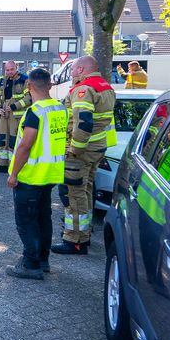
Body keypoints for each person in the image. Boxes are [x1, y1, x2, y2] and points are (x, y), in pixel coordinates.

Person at [6, 68, 69, 279]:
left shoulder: (35, 112)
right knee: (44, 218)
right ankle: (43, 260)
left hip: (31, 175)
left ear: (29, 86)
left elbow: (25, 146)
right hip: (51, 174)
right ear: (49, 85)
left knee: (26, 220)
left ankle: (30, 264)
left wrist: (13, 174)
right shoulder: (60, 108)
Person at [53, 56, 117, 254]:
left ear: (81, 69)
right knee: (86, 190)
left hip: (81, 151)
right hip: (97, 148)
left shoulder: (84, 90)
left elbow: (83, 122)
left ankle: (75, 240)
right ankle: (85, 232)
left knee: (74, 194)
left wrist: (75, 149)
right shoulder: (105, 87)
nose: (70, 73)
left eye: (72, 69)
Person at [0, 61, 32, 172]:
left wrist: (14, 106)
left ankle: (14, 166)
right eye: (7, 70)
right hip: (4, 114)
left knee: (14, 141)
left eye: (12, 69)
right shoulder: (3, 80)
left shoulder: (24, 80)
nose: (9, 72)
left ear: (17, 68)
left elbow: (29, 98)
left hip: (17, 116)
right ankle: (2, 164)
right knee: (2, 138)